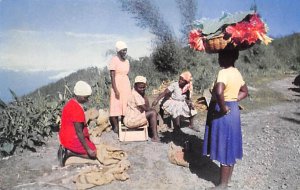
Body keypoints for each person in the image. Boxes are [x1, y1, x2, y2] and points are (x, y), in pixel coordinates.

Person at [202, 50, 248, 189]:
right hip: (233, 111)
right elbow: (245, 91)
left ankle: (222, 185)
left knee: (224, 144)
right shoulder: (237, 72)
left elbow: (219, 91)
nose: (219, 58)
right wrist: (233, 100)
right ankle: (227, 181)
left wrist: (222, 107)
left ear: (231, 57)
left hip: (224, 112)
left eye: (222, 55)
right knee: (230, 144)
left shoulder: (224, 72)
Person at [58, 81, 97, 167]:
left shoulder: (70, 103)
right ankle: (70, 152)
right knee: (94, 152)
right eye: (85, 97)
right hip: (71, 139)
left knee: (92, 146)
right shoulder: (77, 110)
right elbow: (79, 132)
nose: (87, 100)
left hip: (64, 137)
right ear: (78, 96)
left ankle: (68, 149)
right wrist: (88, 150)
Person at [124, 76, 160, 142]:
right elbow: (146, 109)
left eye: (143, 87)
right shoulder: (135, 95)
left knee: (152, 112)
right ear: (135, 86)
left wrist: (143, 95)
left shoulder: (138, 93)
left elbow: (146, 105)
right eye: (140, 87)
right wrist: (153, 111)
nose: (142, 89)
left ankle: (152, 133)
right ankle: (155, 136)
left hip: (135, 117)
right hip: (131, 120)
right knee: (153, 113)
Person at [108, 41, 131, 133]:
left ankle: (125, 123)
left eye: (126, 50)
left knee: (125, 103)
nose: (125, 52)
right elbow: (112, 76)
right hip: (117, 84)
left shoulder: (127, 61)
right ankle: (116, 126)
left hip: (125, 84)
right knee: (115, 104)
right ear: (118, 51)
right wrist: (116, 90)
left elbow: (127, 74)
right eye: (123, 50)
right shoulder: (114, 60)